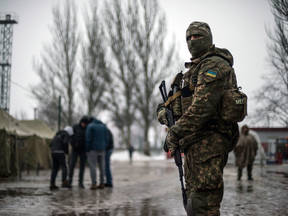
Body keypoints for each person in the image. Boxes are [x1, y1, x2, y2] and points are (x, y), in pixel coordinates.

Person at [157, 21, 239, 215]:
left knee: (203, 205)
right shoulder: (192, 72)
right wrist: (164, 114)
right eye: (189, 37)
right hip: (194, 144)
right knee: (194, 204)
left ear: (208, 39)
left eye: (197, 36)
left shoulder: (214, 66)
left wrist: (173, 134)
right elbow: (173, 106)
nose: (192, 41)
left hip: (209, 143)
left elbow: (201, 109)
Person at [86, 118, 109, 190]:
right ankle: (102, 182)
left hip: (93, 149)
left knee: (93, 166)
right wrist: (105, 146)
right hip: (102, 149)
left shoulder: (90, 126)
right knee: (102, 166)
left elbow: (88, 138)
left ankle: (94, 183)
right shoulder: (103, 127)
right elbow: (107, 138)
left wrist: (87, 149)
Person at [68, 116, 89, 188]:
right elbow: (71, 136)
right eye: (83, 123)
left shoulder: (87, 128)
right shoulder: (75, 127)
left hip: (83, 150)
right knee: (72, 165)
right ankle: (69, 181)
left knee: (82, 166)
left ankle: (80, 182)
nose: (83, 124)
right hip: (75, 149)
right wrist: (73, 144)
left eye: (85, 123)